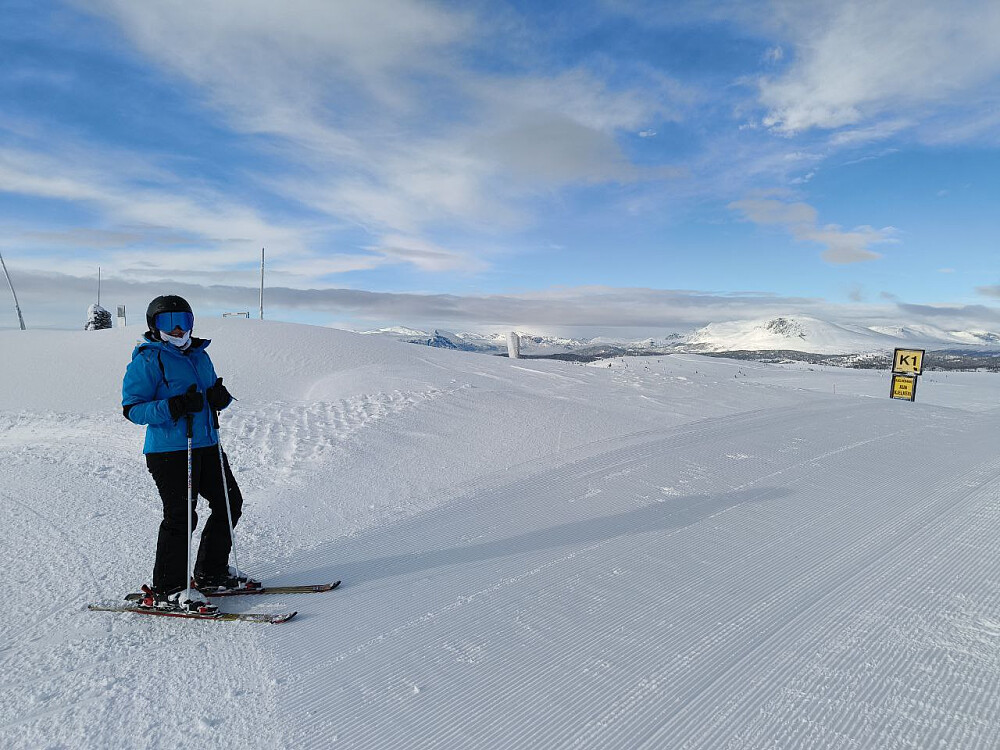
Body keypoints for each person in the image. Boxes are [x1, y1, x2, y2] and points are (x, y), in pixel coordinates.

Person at [121, 295, 253, 611]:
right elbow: (132, 409)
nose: (178, 329)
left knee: (229, 503)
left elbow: (209, 392)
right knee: (181, 516)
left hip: (206, 443)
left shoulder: (199, 355)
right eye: (169, 322)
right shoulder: (148, 360)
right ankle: (168, 587)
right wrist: (174, 406)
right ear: (155, 326)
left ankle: (211, 572)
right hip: (170, 451)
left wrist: (219, 397)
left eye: (183, 321)